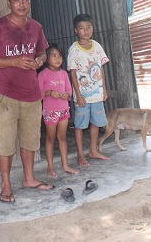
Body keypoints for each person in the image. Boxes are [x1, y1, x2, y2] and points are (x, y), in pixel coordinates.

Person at [0, 0, 54, 203]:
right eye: (16, 0)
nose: (21, 4)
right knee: (5, 143)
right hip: (7, 94)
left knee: (30, 140)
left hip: (32, 95)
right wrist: (14, 61)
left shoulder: (36, 27)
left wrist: (40, 60)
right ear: (8, 3)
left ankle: (29, 178)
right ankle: (6, 185)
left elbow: (42, 52)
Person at [67, 13, 110, 166]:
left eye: (88, 27)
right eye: (82, 28)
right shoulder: (74, 50)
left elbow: (100, 69)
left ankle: (93, 150)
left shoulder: (97, 46)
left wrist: (104, 89)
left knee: (96, 123)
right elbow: (72, 72)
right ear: (75, 30)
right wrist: (78, 95)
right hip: (82, 96)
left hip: (97, 94)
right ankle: (80, 154)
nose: (86, 31)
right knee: (80, 125)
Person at [38, 44, 79, 178]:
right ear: (46, 58)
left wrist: (67, 95)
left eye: (60, 56)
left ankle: (65, 165)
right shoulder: (43, 74)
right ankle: (50, 167)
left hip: (63, 111)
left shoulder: (64, 74)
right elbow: (39, 93)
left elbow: (69, 90)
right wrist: (50, 92)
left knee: (62, 138)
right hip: (50, 111)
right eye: (54, 56)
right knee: (50, 138)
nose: (57, 59)